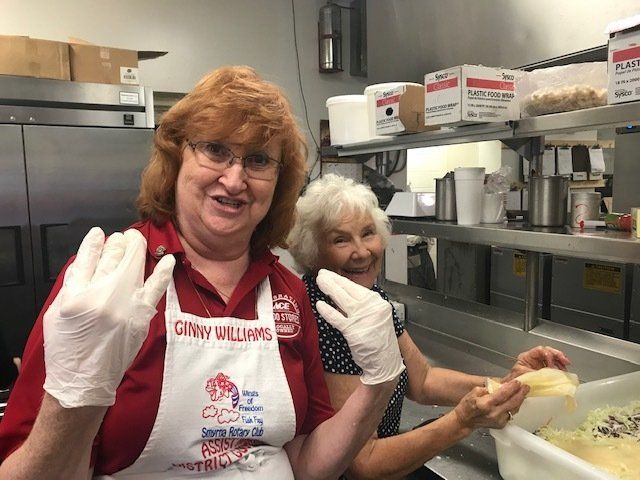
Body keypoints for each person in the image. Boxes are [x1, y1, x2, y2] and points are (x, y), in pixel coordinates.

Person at [0, 67, 404, 479]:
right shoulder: (110, 276)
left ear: (279, 181)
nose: (234, 180)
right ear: (177, 157)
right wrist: (74, 398)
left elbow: (305, 462)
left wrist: (380, 384)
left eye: (258, 160)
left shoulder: (287, 290)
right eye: (215, 149)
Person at [287, 174, 572, 480]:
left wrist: (504, 385)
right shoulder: (321, 316)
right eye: (340, 239)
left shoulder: (370, 299)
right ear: (313, 252)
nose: (362, 251)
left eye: (368, 233)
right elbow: (362, 465)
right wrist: (462, 421)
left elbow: (422, 380)